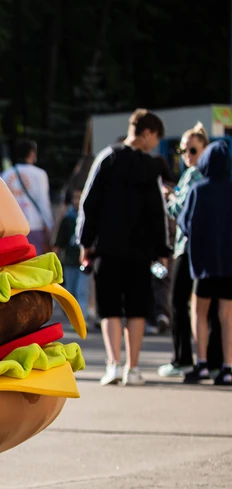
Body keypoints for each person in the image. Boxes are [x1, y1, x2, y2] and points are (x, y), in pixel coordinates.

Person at [76, 109, 172, 386]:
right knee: (137, 309)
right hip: (141, 252)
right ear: (147, 132)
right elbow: (158, 211)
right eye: (156, 137)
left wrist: (85, 242)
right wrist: (161, 251)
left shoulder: (108, 158)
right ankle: (133, 368)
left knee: (109, 308)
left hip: (107, 247)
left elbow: (89, 202)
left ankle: (113, 365)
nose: (156, 143)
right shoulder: (151, 167)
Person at [159, 125, 224, 378]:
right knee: (213, 308)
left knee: (182, 303)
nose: (187, 155)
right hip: (206, 250)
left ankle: (187, 359)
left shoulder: (195, 177)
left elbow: (183, 213)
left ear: (205, 150)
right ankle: (213, 361)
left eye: (193, 149)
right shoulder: (202, 176)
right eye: (182, 150)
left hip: (189, 248)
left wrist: (170, 199)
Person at [178, 139, 232, 385]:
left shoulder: (198, 190)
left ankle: (200, 364)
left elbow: (184, 222)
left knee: (199, 311)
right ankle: (227, 366)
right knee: (227, 315)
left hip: (203, 263)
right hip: (229, 264)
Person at [1, 139, 53, 255]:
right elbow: (43, 202)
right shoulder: (39, 174)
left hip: (14, 227)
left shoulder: (6, 174)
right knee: (35, 261)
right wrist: (50, 226)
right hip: (34, 224)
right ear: (31, 153)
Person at [54, 188, 91, 318]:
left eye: (80, 197)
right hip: (70, 260)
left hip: (85, 261)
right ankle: (72, 316)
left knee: (82, 291)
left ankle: (81, 318)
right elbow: (59, 241)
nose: (77, 201)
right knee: (71, 291)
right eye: (75, 198)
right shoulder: (67, 219)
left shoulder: (90, 216)